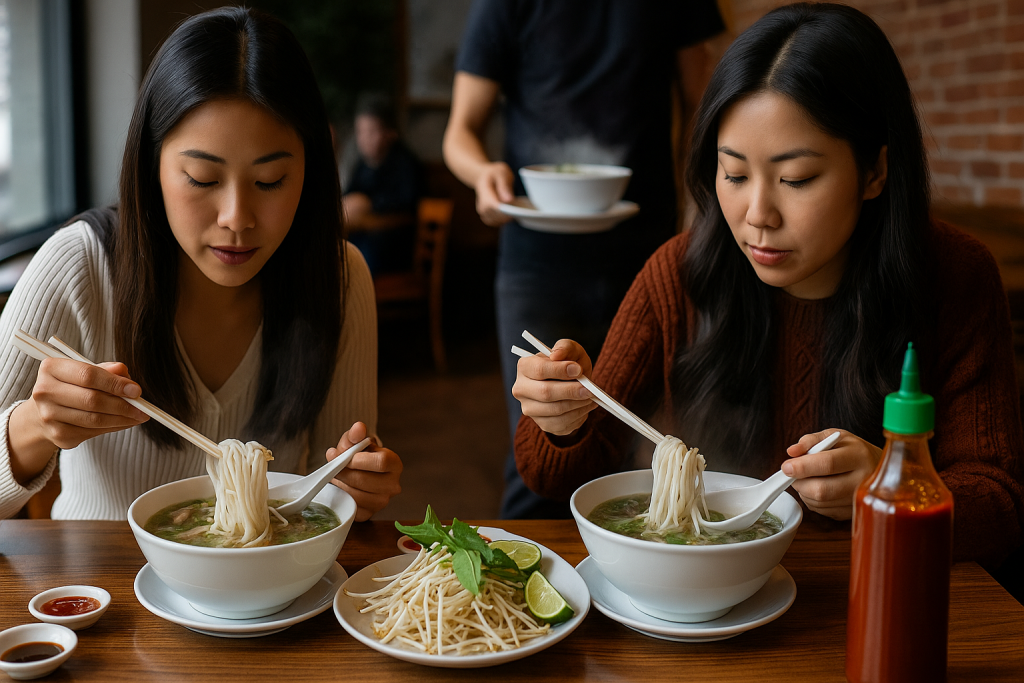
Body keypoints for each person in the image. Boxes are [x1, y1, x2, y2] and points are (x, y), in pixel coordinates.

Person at [512, 3, 1024, 565]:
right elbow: (552, 476)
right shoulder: (679, 274)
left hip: (870, 601)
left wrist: (891, 486)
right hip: (699, 607)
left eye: (795, 179)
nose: (757, 214)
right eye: (733, 173)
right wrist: (561, 420)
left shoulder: (955, 275)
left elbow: (1001, 508)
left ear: (875, 171)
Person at [0, 7, 403, 521]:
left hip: (261, 593)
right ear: (153, 167)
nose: (237, 219)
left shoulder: (339, 278)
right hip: (104, 588)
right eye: (202, 179)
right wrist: (38, 425)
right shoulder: (79, 265)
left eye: (270, 181)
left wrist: (358, 488)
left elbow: (332, 496)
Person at [443, 0, 725, 519]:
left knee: (645, 447)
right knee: (542, 440)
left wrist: (702, 208)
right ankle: (532, 591)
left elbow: (701, 100)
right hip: (537, 262)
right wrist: (483, 174)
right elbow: (459, 130)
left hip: (650, 256)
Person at [342, 93, 424, 276]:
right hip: (364, 236)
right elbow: (350, 196)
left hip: (394, 246)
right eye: (360, 132)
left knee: (361, 257)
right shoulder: (362, 165)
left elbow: (408, 205)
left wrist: (368, 206)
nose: (364, 139)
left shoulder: (405, 164)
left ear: (390, 133)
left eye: (371, 132)